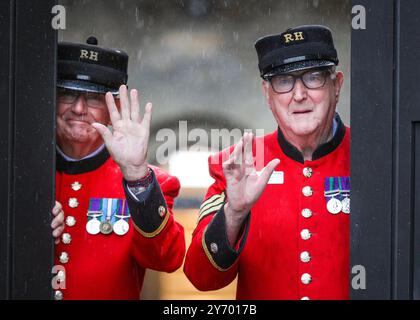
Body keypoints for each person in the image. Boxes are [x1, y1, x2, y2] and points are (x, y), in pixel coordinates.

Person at [183, 25, 349, 300]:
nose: (298, 95)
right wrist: (233, 214)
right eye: (283, 81)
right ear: (268, 94)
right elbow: (201, 277)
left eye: (313, 77)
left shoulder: (373, 157)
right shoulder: (237, 164)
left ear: (337, 84)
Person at [50, 37, 185, 300]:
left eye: (93, 99)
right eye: (68, 93)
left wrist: (136, 175)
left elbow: (167, 259)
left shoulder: (149, 182)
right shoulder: (19, 174)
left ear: (114, 109)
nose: (78, 108)